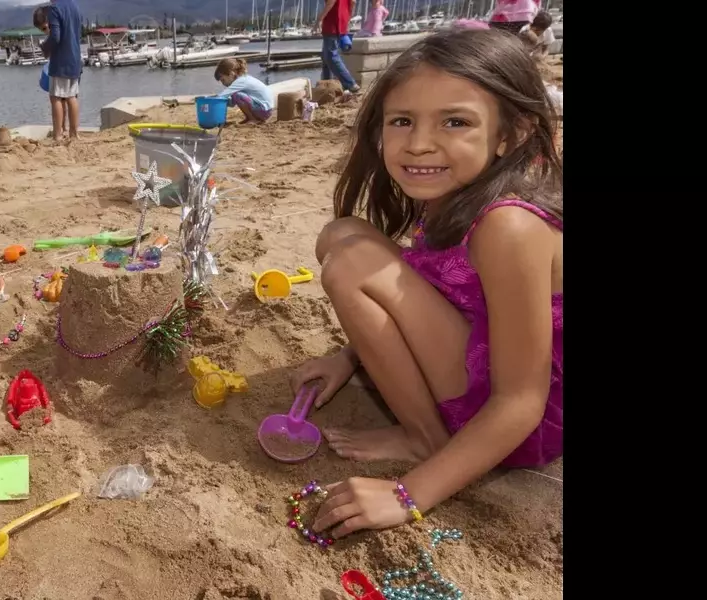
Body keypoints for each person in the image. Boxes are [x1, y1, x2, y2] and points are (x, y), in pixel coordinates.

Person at [289, 29, 563, 540]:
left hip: (520, 419)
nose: (418, 144)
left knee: (352, 262)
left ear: (513, 133)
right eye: (402, 121)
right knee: (343, 235)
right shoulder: (453, 194)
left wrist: (406, 494)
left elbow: (522, 400)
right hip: (480, 362)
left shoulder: (510, 226)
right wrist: (350, 358)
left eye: (455, 122)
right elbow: (437, 291)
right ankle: (422, 426)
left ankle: (425, 441)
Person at [38, 0, 84, 143]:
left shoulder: (54, 9)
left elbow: (56, 36)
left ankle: (58, 135)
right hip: (75, 58)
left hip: (61, 61)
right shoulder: (75, 6)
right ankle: (74, 134)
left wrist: (45, 47)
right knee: (72, 97)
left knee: (56, 97)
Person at [214, 58, 276, 124]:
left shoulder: (240, 81)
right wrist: (221, 100)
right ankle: (250, 118)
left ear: (231, 74)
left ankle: (253, 119)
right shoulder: (243, 78)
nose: (223, 83)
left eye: (223, 80)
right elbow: (232, 103)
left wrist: (212, 100)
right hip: (266, 110)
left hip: (264, 110)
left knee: (237, 95)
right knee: (236, 95)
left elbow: (223, 95)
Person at [317, 0, 360, 95]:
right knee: (325, 56)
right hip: (342, 20)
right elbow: (353, 2)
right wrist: (348, 17)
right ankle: (326, 86)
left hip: (332, 22)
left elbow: (331, 2)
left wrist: (319, 20)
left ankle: (351, 84)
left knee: (331, 56)